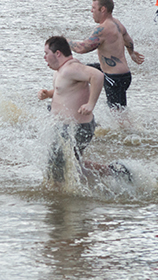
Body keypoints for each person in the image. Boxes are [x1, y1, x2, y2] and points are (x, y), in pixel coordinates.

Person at [39, 37, 129, 182]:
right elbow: (64, 90)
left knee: (56, 166)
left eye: (46, 53)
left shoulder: (71, 68)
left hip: (76, 128)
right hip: (67, 127)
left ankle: (60, 197)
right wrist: (48, 94)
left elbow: (97, 76)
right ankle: (114, 172)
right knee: (69, 164)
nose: (44, 57)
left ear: (58, 54)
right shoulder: (61, 71)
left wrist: (90, 104)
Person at [68, 0, 145, 110]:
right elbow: (127, 39)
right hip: (119, 74)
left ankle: (127, 128)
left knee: (118, 115)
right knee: (77, 71)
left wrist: (65, 42)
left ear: (102, 9)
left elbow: (82, 48)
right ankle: (68, 103)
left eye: (93, 7)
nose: (91, 11)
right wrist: (132, 53)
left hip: (115, 78)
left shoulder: (103, 29)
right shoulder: (116, 23)